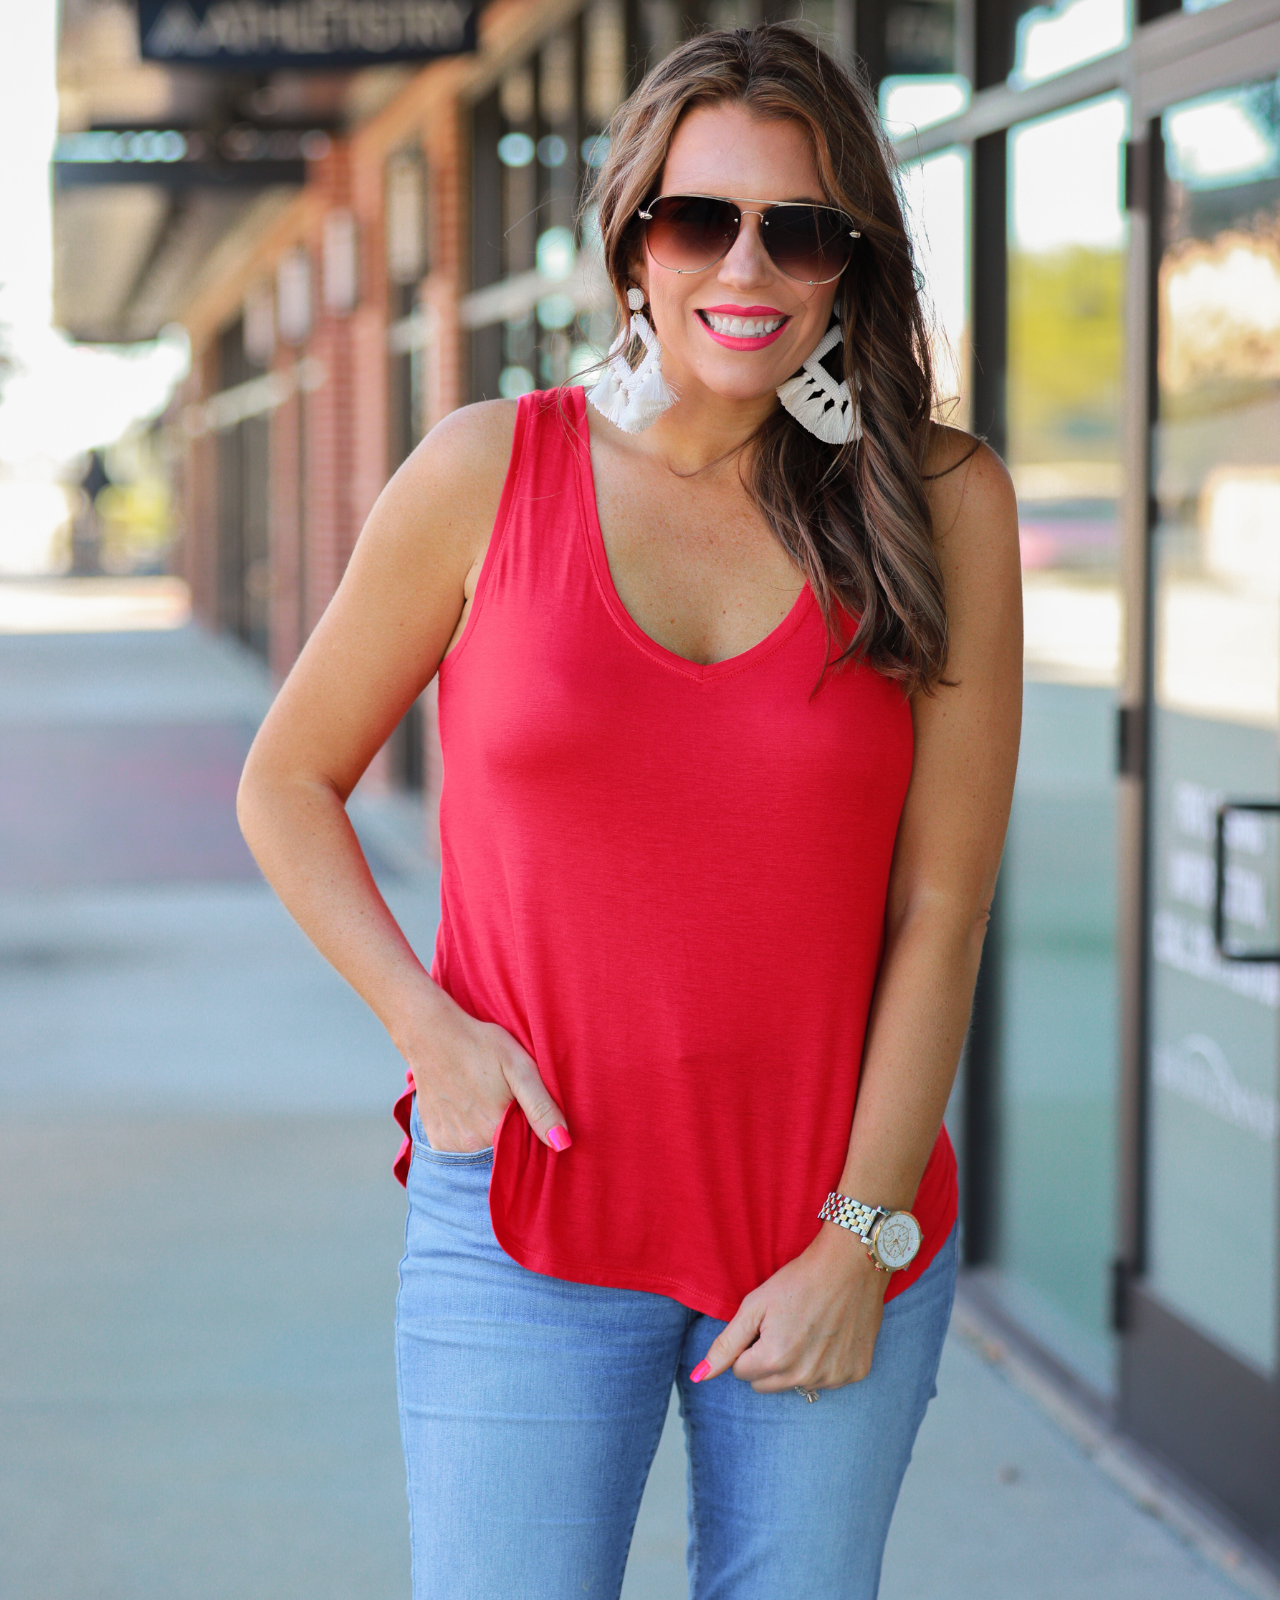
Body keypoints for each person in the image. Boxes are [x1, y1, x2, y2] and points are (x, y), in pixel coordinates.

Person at [237, 22, 1021, 1600]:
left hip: (828, 1218)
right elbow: (286, 780)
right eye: (698, 218)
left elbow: (944, 908)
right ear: (633, 246)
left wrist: (859, 1240)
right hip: (527, 1211)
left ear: (848, 261)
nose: (747, 264)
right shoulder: (485, 472)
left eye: (798, 228)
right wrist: (425, 1028)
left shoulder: (937, 501)